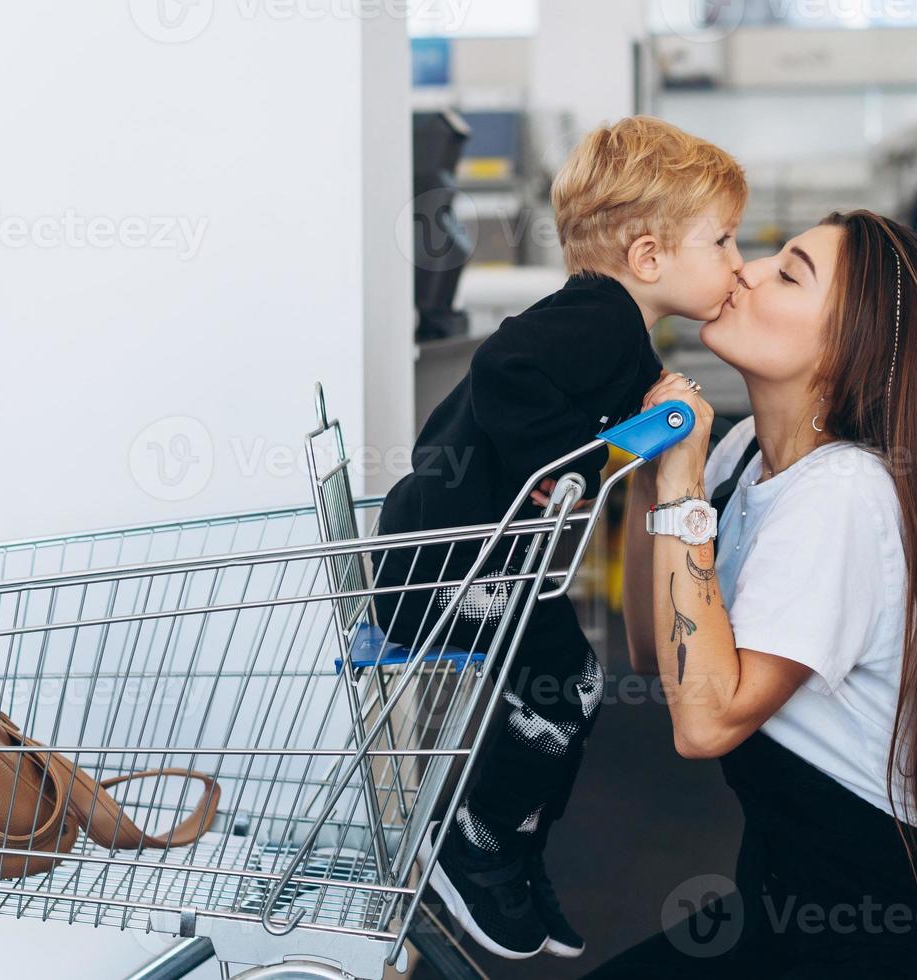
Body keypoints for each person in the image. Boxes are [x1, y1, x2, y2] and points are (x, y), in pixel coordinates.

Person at [601, 210, 917, 978]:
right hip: (791, 896)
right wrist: (649, 474)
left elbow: (703, 723)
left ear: (851, 350)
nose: (747, 270)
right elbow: (653, 651)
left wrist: (679, 486)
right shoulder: (741, 455)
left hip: (904, 926)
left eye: (789, 271)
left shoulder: (841, 493)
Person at [375, 116, 747, 960]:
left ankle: (508, 846)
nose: (736, 262)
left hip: (469, 555)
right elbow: (507, 367)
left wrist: (642, 425)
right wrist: (561, 470)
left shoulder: (615, 328)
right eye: (721, 240)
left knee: (572, 687)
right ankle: (477, 844)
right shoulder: (596, 317)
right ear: (649, 257)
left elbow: (590, 427)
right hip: (444, 561)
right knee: (565, 688)